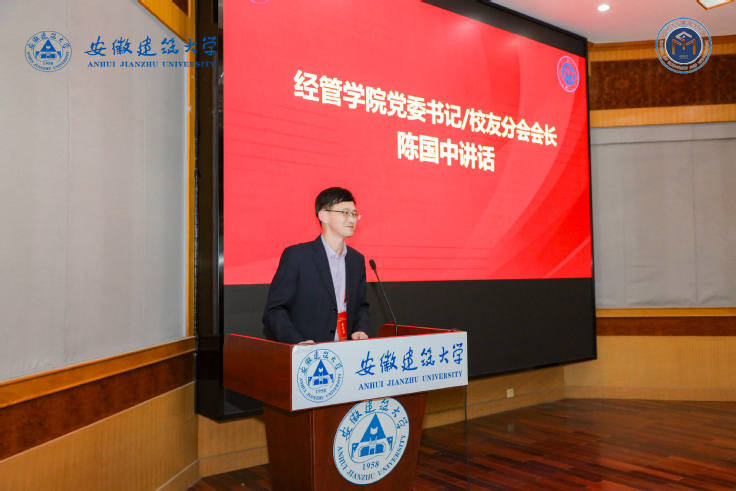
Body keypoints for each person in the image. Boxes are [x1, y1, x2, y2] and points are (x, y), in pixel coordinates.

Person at [262, 187, 370, 344]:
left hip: (346, 350)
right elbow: (274, 311)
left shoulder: (356, 260)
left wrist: (361, 329)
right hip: (309, 350)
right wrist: (297, 342)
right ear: (323, 215)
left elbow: (361, 306)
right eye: (345, 212)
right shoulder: (297, 256)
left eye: (354, 214)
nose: (352, 219)